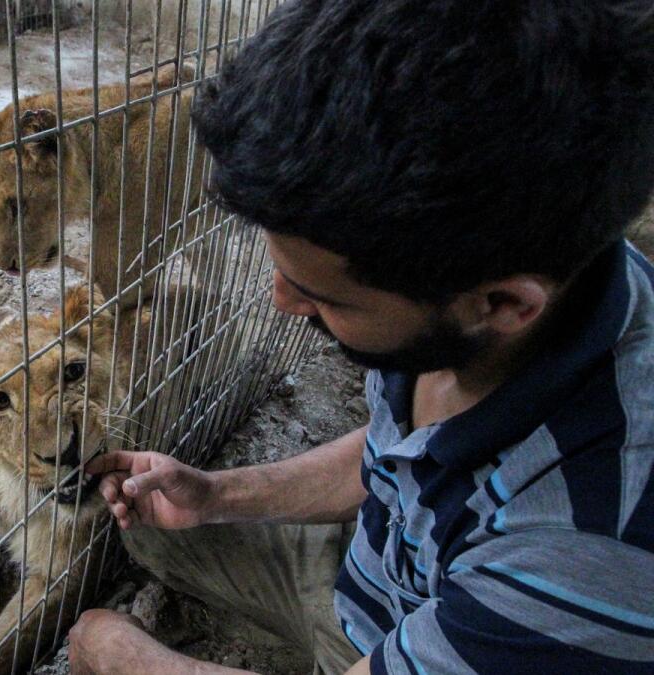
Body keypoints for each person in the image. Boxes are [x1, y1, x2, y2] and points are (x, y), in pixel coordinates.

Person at [66, 0, 654, 673]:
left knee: (102, 633)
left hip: (417, 636)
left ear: (500, 303)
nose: (280, 303)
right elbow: (401, 453)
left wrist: (118, 652)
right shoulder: (519, 264)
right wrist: (218, 493)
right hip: (377, 575)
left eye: (321, 296)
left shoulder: (589, 545)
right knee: (152, 532)